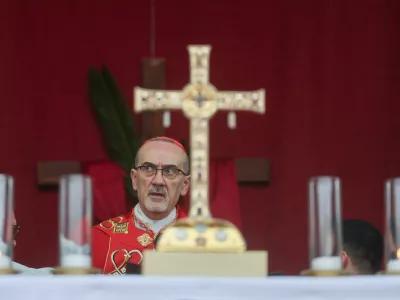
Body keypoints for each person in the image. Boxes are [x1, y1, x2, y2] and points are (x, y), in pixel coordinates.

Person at [92, 136, 191, 274]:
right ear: (134, 179)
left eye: (170, 171)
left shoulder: (204, 241)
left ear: (185, 185)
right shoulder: (99, 239)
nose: (158, 181)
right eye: (148, 168)